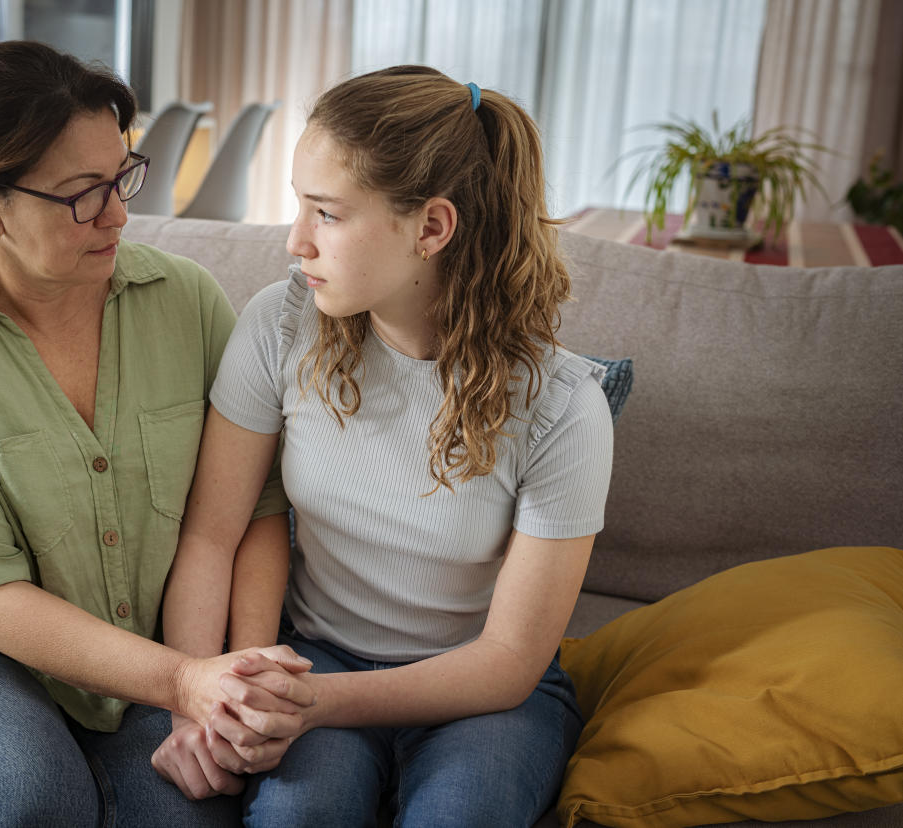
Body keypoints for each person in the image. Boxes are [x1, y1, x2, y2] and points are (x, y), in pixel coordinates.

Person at [0, 41, 313, 828]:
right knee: (27, 798)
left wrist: (230, 682)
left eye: (122, 176)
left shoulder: (187, 301)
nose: (121, 215)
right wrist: (183, 683)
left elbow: (255, 505)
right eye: (82, 196)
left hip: (163, 654)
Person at [154, 65, 614, 826]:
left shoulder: (563, 407)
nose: (295, 241)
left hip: (480, 693)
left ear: (431, 228)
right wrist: (197, 703)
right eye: (297, 206)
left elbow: (507, 662)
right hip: (319, 655)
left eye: (326, 213)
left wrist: (316, 705)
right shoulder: (279, 324)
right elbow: (211, 532)